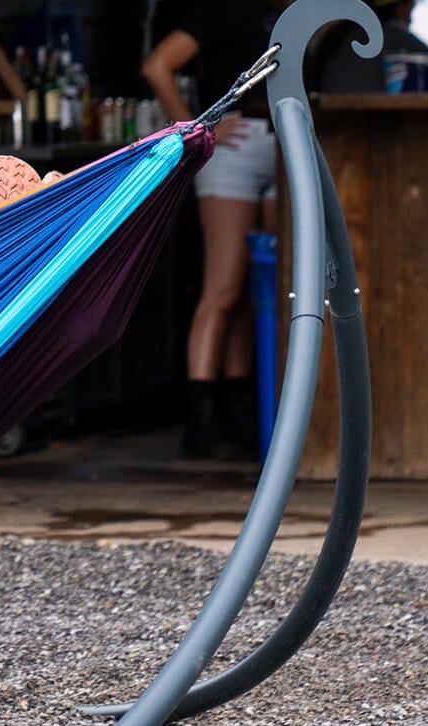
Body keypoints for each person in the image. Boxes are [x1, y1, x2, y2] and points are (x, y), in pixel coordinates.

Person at [143, 0, 293, 461]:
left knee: (258, 289)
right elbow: (157, 66)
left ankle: (239, 411)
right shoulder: (225, 10)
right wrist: (198, 125)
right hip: (237, 144)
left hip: (284, 145)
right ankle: (202, 419)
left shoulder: (291, 18)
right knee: (223, 288)